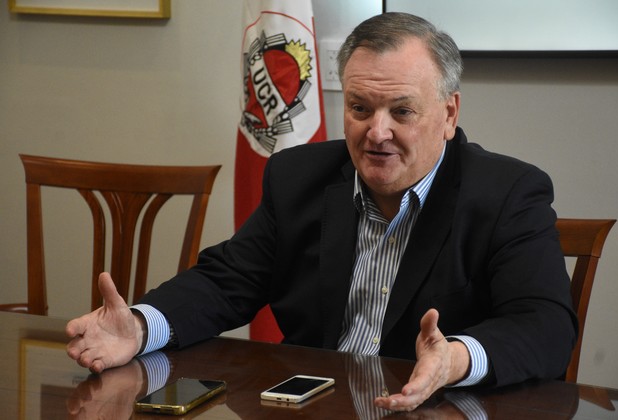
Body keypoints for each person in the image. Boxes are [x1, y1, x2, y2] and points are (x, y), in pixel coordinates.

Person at [66, 12, 577, 412]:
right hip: (314, 409)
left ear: (449, 114)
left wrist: (455, 359)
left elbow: (546, 326)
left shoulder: (507, 193)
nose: (377, 132)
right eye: (360, 109)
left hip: (437, 409)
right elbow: (227, 281)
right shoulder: (299, 177)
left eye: (401, 111)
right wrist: (140, 326)